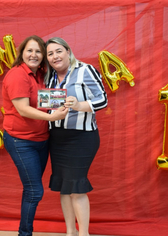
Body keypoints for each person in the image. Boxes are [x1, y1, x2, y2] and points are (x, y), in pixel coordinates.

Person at [2, 35, 68, 236]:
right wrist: (53, 117)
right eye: (29, 50)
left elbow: (43, 101)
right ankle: (25, 233)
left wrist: (70, 101)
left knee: (31, 190)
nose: (34, 54)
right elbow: (23, 109)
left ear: (43, 57)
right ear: (22, 53)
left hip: (41, 140)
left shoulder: (40, 74)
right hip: (21, 141)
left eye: (38, 51)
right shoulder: (17, 75)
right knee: (35, 191)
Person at [45, 37, 108, 236]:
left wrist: (80, 106)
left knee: (76, 186)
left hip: (82, 138)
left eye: (58, 51)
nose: (55, 56)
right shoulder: (50, 77)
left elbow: (103, 99)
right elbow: (50, 108)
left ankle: (84, 234)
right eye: (50, 54)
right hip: (57, 138)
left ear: (68, 51)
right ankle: (70, 232)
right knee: (64, 186)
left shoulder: (85, 70)